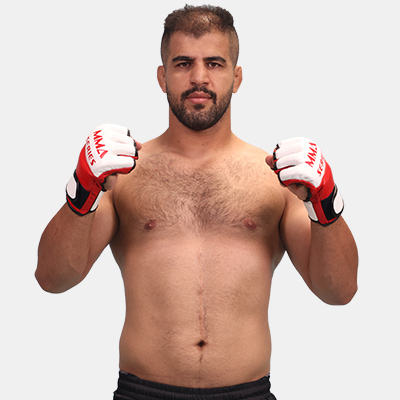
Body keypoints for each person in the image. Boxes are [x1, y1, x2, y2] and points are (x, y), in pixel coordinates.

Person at [36, 5, 358, 400]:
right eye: (183, 63)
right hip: (142, 393)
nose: (199, 78)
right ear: (162, 77)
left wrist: (326, 204)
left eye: (215, 63)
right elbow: (53, 279)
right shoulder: (122, 175)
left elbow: (339, 291)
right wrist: (81, 192)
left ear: (237, 77)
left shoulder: (276, 178)